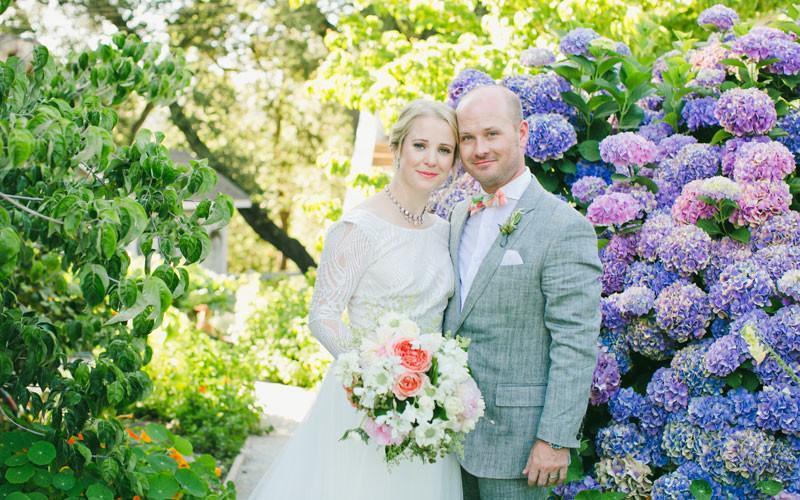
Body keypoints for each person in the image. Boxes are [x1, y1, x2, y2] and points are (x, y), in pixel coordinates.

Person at [249, 100, 463, 500]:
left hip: (429, 402)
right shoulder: (359, 228)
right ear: (397, 148)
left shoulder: (444, 231)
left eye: (444, 150)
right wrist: (378, 377)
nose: (431, 159)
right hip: (365, 402)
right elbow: (323, 316)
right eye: (420, 146)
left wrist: (428, 384)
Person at [442, 85, 602, 500]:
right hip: (445, 441)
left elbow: (575, 341)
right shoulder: (460, 216)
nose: (479, 149)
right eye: (468, 138)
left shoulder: (564, 227)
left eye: (492, 134)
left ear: (523, 133)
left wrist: (555, 439)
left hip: (521, 448)